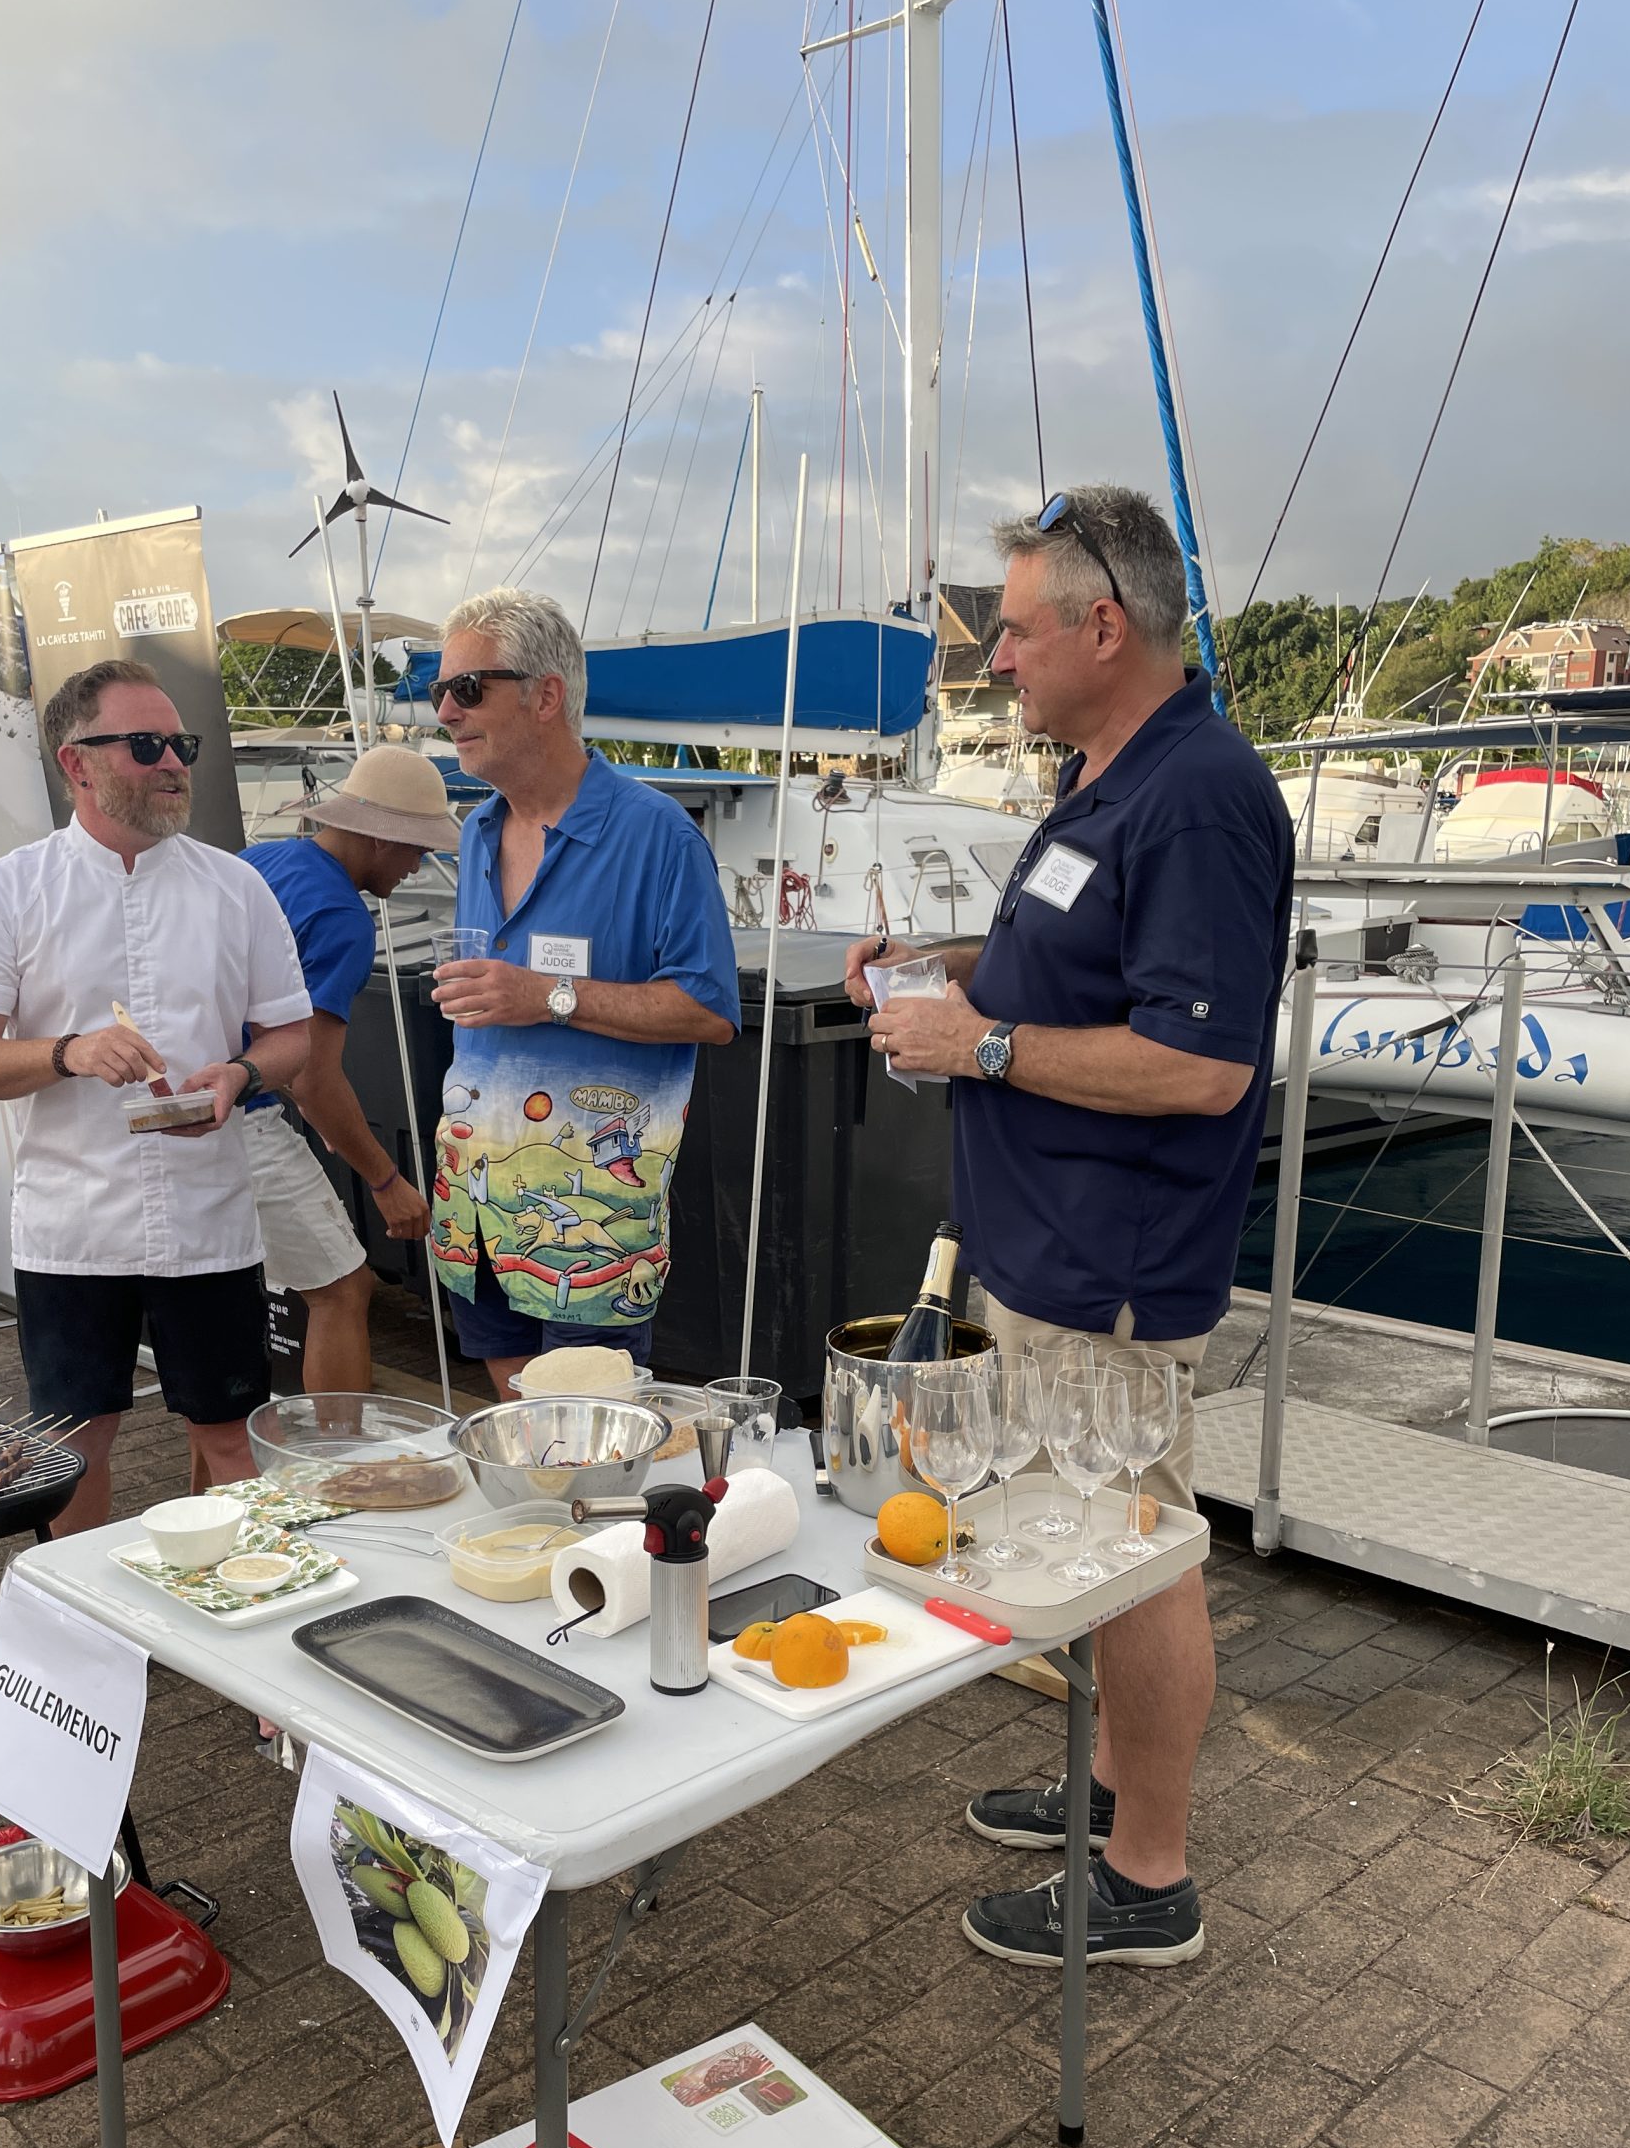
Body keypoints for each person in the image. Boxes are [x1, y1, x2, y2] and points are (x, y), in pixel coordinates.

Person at [847, 486, 1292, 1970]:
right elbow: (1066, 961)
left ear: (1106, 628)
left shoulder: (1199, 796)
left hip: (1115, 1263)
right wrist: (940, 971)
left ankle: (1150, 1874)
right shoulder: (1107, 773)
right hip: (1046, 1247)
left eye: (1017, 633)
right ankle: (1107, 1791)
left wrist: (974, 1046)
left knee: (1139, 1554)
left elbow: (1201, 1064)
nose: (996, 661)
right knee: (1088, 1537)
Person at [0, 658, 313, 1536]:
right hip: (73, 1222)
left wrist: (241, 1075)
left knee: (232, 1435)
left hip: (207, 1214)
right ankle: (80, 1617)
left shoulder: (236, 887)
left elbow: (292, 1035)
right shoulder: (10, 888)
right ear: (77, 762)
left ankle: (240, 1602)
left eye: (182, 744)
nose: (174, 762)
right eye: (147, 745)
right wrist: (68, 1052)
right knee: (72, 1447)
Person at [424, 587, 740, 1397]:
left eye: (468, 688)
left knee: (584, 1438)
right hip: (475, 1206)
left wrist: (547, 996)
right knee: (516, 1425)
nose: (447, 711)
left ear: (546, 696)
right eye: (440, 690)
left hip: (594, 1224)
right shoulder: (477, 831)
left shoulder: (659, 836)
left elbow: (709, 1010)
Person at [238, 743, 458, 1392]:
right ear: (382, 837)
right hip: (241, 1112)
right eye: (418, 848)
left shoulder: (260, 860)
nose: (418, 866)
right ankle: (341, 1451)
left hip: (182, 1101)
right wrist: (386, 1179)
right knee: (342, 1288)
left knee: (228, 1298)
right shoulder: (342, 917)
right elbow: (312, 1076)